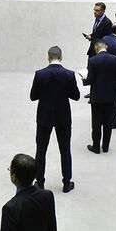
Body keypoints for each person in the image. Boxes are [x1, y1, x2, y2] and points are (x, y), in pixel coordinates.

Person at [29, 46, 80, 193]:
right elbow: (75, 96)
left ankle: (40, 182)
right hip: (63, 117)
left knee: (41, 150)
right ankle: (66, 182)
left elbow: (33, 96)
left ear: (48, 57)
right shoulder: (69, 74)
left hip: (44, 116)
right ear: (61, 58)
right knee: (65, 150)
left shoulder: (40, 74)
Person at [84, 41, 116, 154]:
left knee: (96, 122)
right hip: (111, 96)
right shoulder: (115, 59)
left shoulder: (93, 60)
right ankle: (105, 146)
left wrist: (84, 79)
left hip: (97, 96)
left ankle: (96, 146)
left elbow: (90, 80)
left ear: (96, 48)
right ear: (106, 47)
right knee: (108, 122)